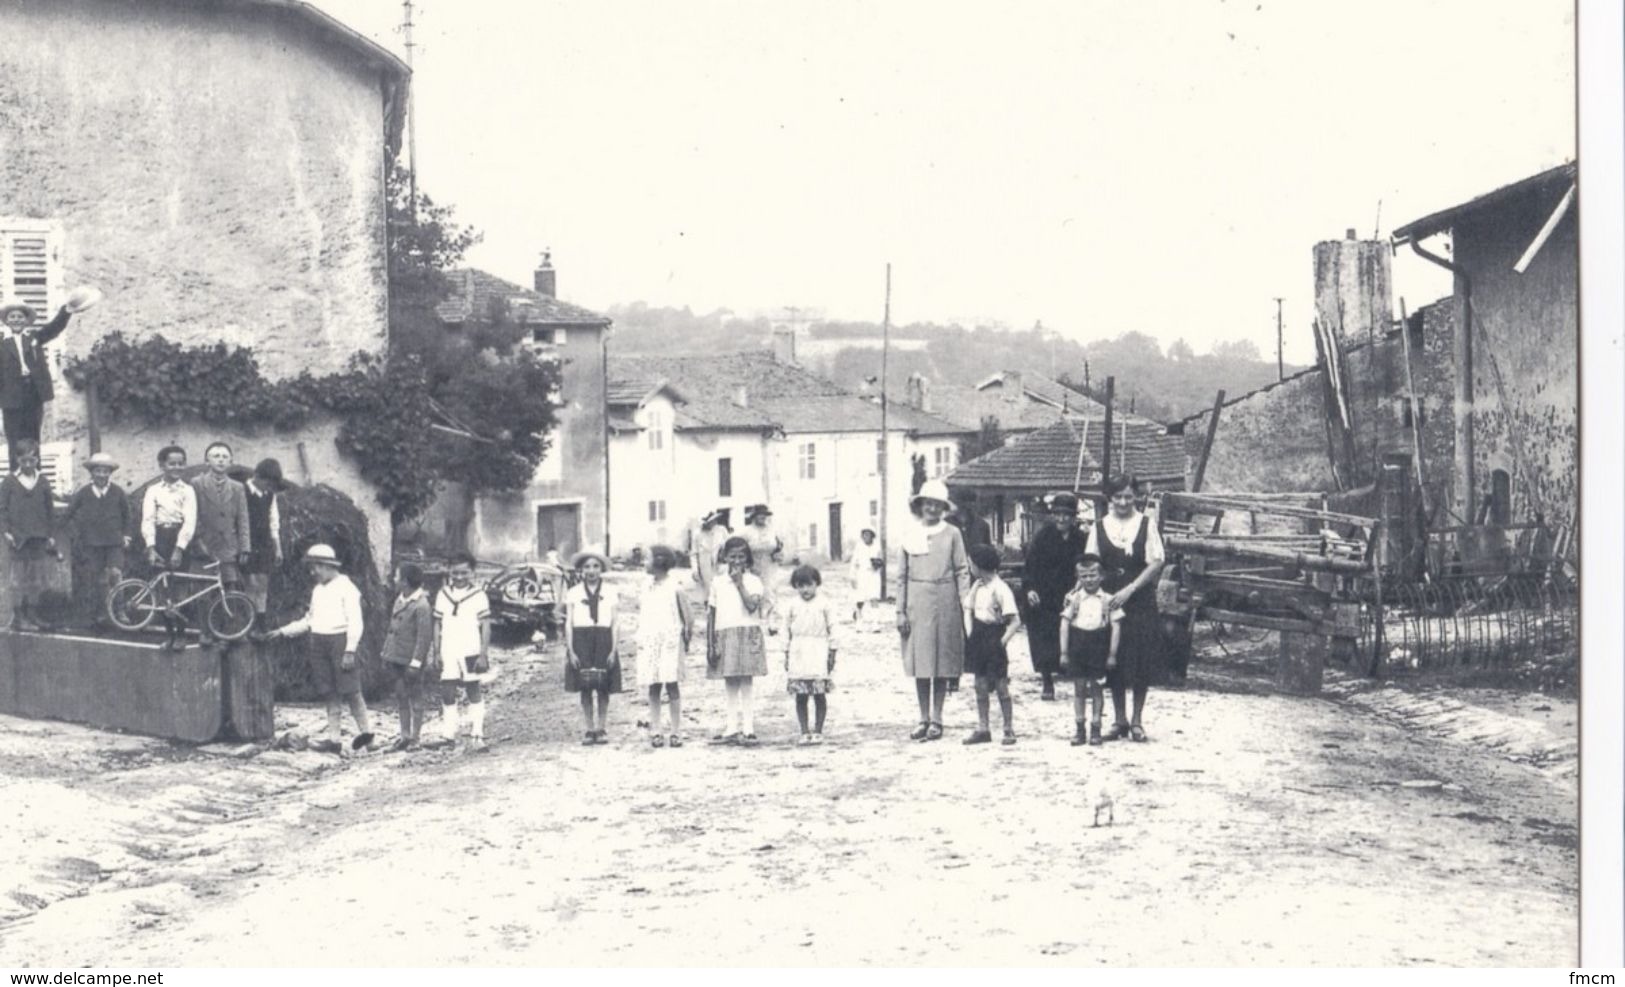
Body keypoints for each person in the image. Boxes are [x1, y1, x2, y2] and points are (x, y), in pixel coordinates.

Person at [266, 544, 373, 755]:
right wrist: (282, 631)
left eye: (316, 568)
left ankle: (368, 737)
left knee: (352, 692)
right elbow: (309, 620)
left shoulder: (346, 587)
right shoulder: (318, 590)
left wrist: (350, 650)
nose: (313, 573)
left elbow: (356, 622)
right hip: (319, 642)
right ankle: (334, 740)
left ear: (327, 566)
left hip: (340, 642)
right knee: (329, 692)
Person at [1085, 473, 1166, 742]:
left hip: (1140, 600)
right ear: (1110, 498)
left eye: (1128, 497)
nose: (1123, 502)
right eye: (1118, 497)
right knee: (1114, 658)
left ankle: (1136, 721)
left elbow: (1156, 562)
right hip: (1110, 601)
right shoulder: (1099, 526)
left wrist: (1130, 589)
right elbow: (1090, 563)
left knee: (1141, 660)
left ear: (1137, 498)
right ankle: (1118, 720)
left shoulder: (1146, 523)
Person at [897, 479, 969, 742]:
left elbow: (962, 570)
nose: (931, 509)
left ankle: (938, 718)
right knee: (921, 662)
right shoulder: (909, 533)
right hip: (917, 601)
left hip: (946, 599)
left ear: (943, 507)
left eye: (937, 505)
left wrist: (965, 604)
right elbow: (901, 576)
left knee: (941, 662)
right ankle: (923, 717)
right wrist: (900, 611)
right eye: (928, 503)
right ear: (920, 505)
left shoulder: (953, 534)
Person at [1022, 491, 1086, 701]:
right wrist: (1030, 588)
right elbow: (1029, 566)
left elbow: (1087, 565)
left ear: (1073, 517)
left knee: (1077, 632)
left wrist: (1078, 589)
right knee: (1044, 635)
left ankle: (1078, 676)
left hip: (1070, 592)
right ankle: (1047, 680)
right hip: (1044, 593)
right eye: (1057, 514)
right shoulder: (1043, 536)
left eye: (1066, 515)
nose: (1061, 519)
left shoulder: (1081, 539)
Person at [707, 535, 768, 747]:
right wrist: (710, 642)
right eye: (732, 556)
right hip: (725, 633)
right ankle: (732, 727)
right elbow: (711, 613)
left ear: (747, 559)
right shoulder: (717, 582)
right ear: (725, 557)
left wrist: (739, 583)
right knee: (730, 681)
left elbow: (752, 606)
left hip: (747, 631)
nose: (737, 561)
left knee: (746, 682)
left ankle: (749, 728)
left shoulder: (754, 581)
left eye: (741, 556)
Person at [433, 552, 495, 752]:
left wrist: (483, 654)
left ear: (472, 573)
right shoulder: (443, 594)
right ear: (449, 571)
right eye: (455, 572)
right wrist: (436, 652)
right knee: (447, 690)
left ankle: (477, 734)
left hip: (471, 648)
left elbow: (485, 625)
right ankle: (448, 735)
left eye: (464, 573)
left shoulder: (479, 595)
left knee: (473, 688)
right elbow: (437, 623)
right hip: (449, 648)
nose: (459, 577)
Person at [61, 452, 131, 628]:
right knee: (96, 578)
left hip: (114, 542)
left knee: (116, 574)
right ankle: (100, 612)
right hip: (92, 543)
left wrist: (126, 535)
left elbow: (127, 516)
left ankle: (120, 610)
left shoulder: (117, 492)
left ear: (110, 473)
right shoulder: (83, 493)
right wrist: (73, 533)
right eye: (98, 471)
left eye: (105, 471)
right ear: (91, 473)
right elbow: (68, 514)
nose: (101, 474)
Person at [191, 442, 251, 643]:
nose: (220, 460)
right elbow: (192, 514)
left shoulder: (237, 487)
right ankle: (205, 631)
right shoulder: (197, 484)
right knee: (204, 589)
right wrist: (199, 539)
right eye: (216, 456)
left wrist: (244, 547)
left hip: (228, 546)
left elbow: (243, 519)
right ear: (206, 460)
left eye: (225, 456)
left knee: (230, 587)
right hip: (205, 546)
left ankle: (229, 631)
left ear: (231, 461)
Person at [1059, 554, 1122, 746]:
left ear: (1101, 576)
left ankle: (1096, 727)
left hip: (1098, 647)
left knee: (1097, 689)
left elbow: (1116, 627)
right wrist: (1063, 652)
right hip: (1078, 647)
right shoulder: (1074, 599)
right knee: (1079, 689)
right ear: (1078, 578)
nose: (1089, 580)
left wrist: (1112, 654)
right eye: (1084, 576)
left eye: (1093, 575)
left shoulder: (1108, 600)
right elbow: (1064, 624)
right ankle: (1080, 729)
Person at [962, 542, 1021, 746]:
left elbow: (1015, 621)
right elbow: (968, 608)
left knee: (1001, 685)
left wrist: (1001, 642)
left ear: (980, 565)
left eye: (971, 564)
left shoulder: (1001, 588)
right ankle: (983, 728)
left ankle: (1008, 728)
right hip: (979, 636)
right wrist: (971, 634)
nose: (970, 567)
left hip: (994, 636)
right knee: (979, 684)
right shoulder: (977, 586)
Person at [0, 302, 73, 462]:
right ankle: (16, 479)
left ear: (26, 321)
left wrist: (66, 311)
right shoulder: (1, 342)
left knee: (33, 438)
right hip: (11, 397)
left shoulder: (34, 338)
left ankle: (35, 476)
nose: (16, 320)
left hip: (33, 394)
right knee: (14, 440)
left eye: (20, 317)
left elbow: (53, 329)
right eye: (12, 317)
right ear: (6, 321)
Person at [141, 445, 196, 649]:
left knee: (180, 589)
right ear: (162, 465)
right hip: (160, 538)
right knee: (163, 591)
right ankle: (169, 636)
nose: (177, 467)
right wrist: (151, 547)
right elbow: (147, 519)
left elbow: (190, 521)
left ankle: (181, 636)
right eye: (172, 463)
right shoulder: (153, 490)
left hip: (180, 538)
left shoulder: (188, 491)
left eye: (181, 463)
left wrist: (179, 549)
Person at [564, 546, 621, 746]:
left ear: (601, 569)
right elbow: (569, 622)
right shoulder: (573, 592)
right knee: (585, 686)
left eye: (596, 566)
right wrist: (571, 650)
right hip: (582, 638)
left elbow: (615, 622)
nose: (591, 571)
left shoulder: (611, 591)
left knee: (603, 685)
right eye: (587, 566)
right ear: (581, 570)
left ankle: (602, 727)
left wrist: (613, 649)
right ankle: (589, 728)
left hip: (603, 638)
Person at [636, 544, 691, 749]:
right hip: (651, 639)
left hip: (670, 640)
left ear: (659, 561)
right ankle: (656, 729)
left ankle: (676, 731)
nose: (644, 563)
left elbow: (687, 616)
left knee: (672, 685)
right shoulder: (645, 586)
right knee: (653, 685)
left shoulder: (675, 586)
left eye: (647, 559)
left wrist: (685, 639)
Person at [0, 439, 59, 631]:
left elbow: (49, 510)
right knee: (18, 579)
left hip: (39, 537)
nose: (27, 464)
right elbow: (2, 509)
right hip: (18, 539)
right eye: (24, 460)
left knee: (36, 578)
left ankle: (33, 615)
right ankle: (19, 617)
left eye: (32, 460)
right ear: (17, 459)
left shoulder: (42, 481)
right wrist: (6, 531)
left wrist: (50, 534)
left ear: (37, 459)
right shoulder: (9, 482)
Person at [381, 563, 434, 751]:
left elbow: (423, 637)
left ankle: (416, 737)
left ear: (405, 581)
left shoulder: (421, 605)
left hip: (411, 661)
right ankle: (404, 735)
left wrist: (416, 662)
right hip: (397, 658)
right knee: (401, 695)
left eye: (396, 577)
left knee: (416, 697)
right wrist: (387, 653)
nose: (394, 580)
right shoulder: (400, 599)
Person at [783, 564, 835, 746]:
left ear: (816, 584)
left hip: (818, 649)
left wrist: (832, 650)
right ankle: (804, 731)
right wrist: (786, 652)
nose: (805, 590)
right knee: (801, 695)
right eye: (800, 586)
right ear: (795, 586)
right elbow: (785, 630)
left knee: (819, 694)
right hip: (798, 650)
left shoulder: (824, 604)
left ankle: (818, 730)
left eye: (809, 585)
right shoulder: (791, 605)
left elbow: (833, 627)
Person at [242, 459, 286, 634]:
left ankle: (261, 621)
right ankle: (249, 622)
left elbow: (273, 522)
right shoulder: (241, 491)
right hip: (246, 543)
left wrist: (278, 548)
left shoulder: (269, 495)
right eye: (266, 483)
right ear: (257, 476)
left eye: (271, 485)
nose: (268, 487)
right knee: (250, 583)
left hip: (264, 543)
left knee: (262, 583)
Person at [691, 507, 731, 594]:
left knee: (722, 590)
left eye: (714, 520)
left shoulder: (722, 530)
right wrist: (695, 570)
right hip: (705, 567)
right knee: (708, 592)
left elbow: (729, 547)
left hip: (720, 565)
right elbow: (694, 554)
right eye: (710, 521)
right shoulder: (698, 534)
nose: (713, 522)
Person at [847, 527, 884, 619]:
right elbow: (854, 563)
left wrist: (878, 564)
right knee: (860, 599)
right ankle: (859, 622)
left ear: (872, 536)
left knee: (874, 598)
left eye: (868, 534)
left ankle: (875, 624)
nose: (866, 536)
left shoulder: (877, 547)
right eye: (864, 534)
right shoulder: (859, 547)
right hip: (862, 574)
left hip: (874, 575)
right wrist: (852, 577)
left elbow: (881, 561)